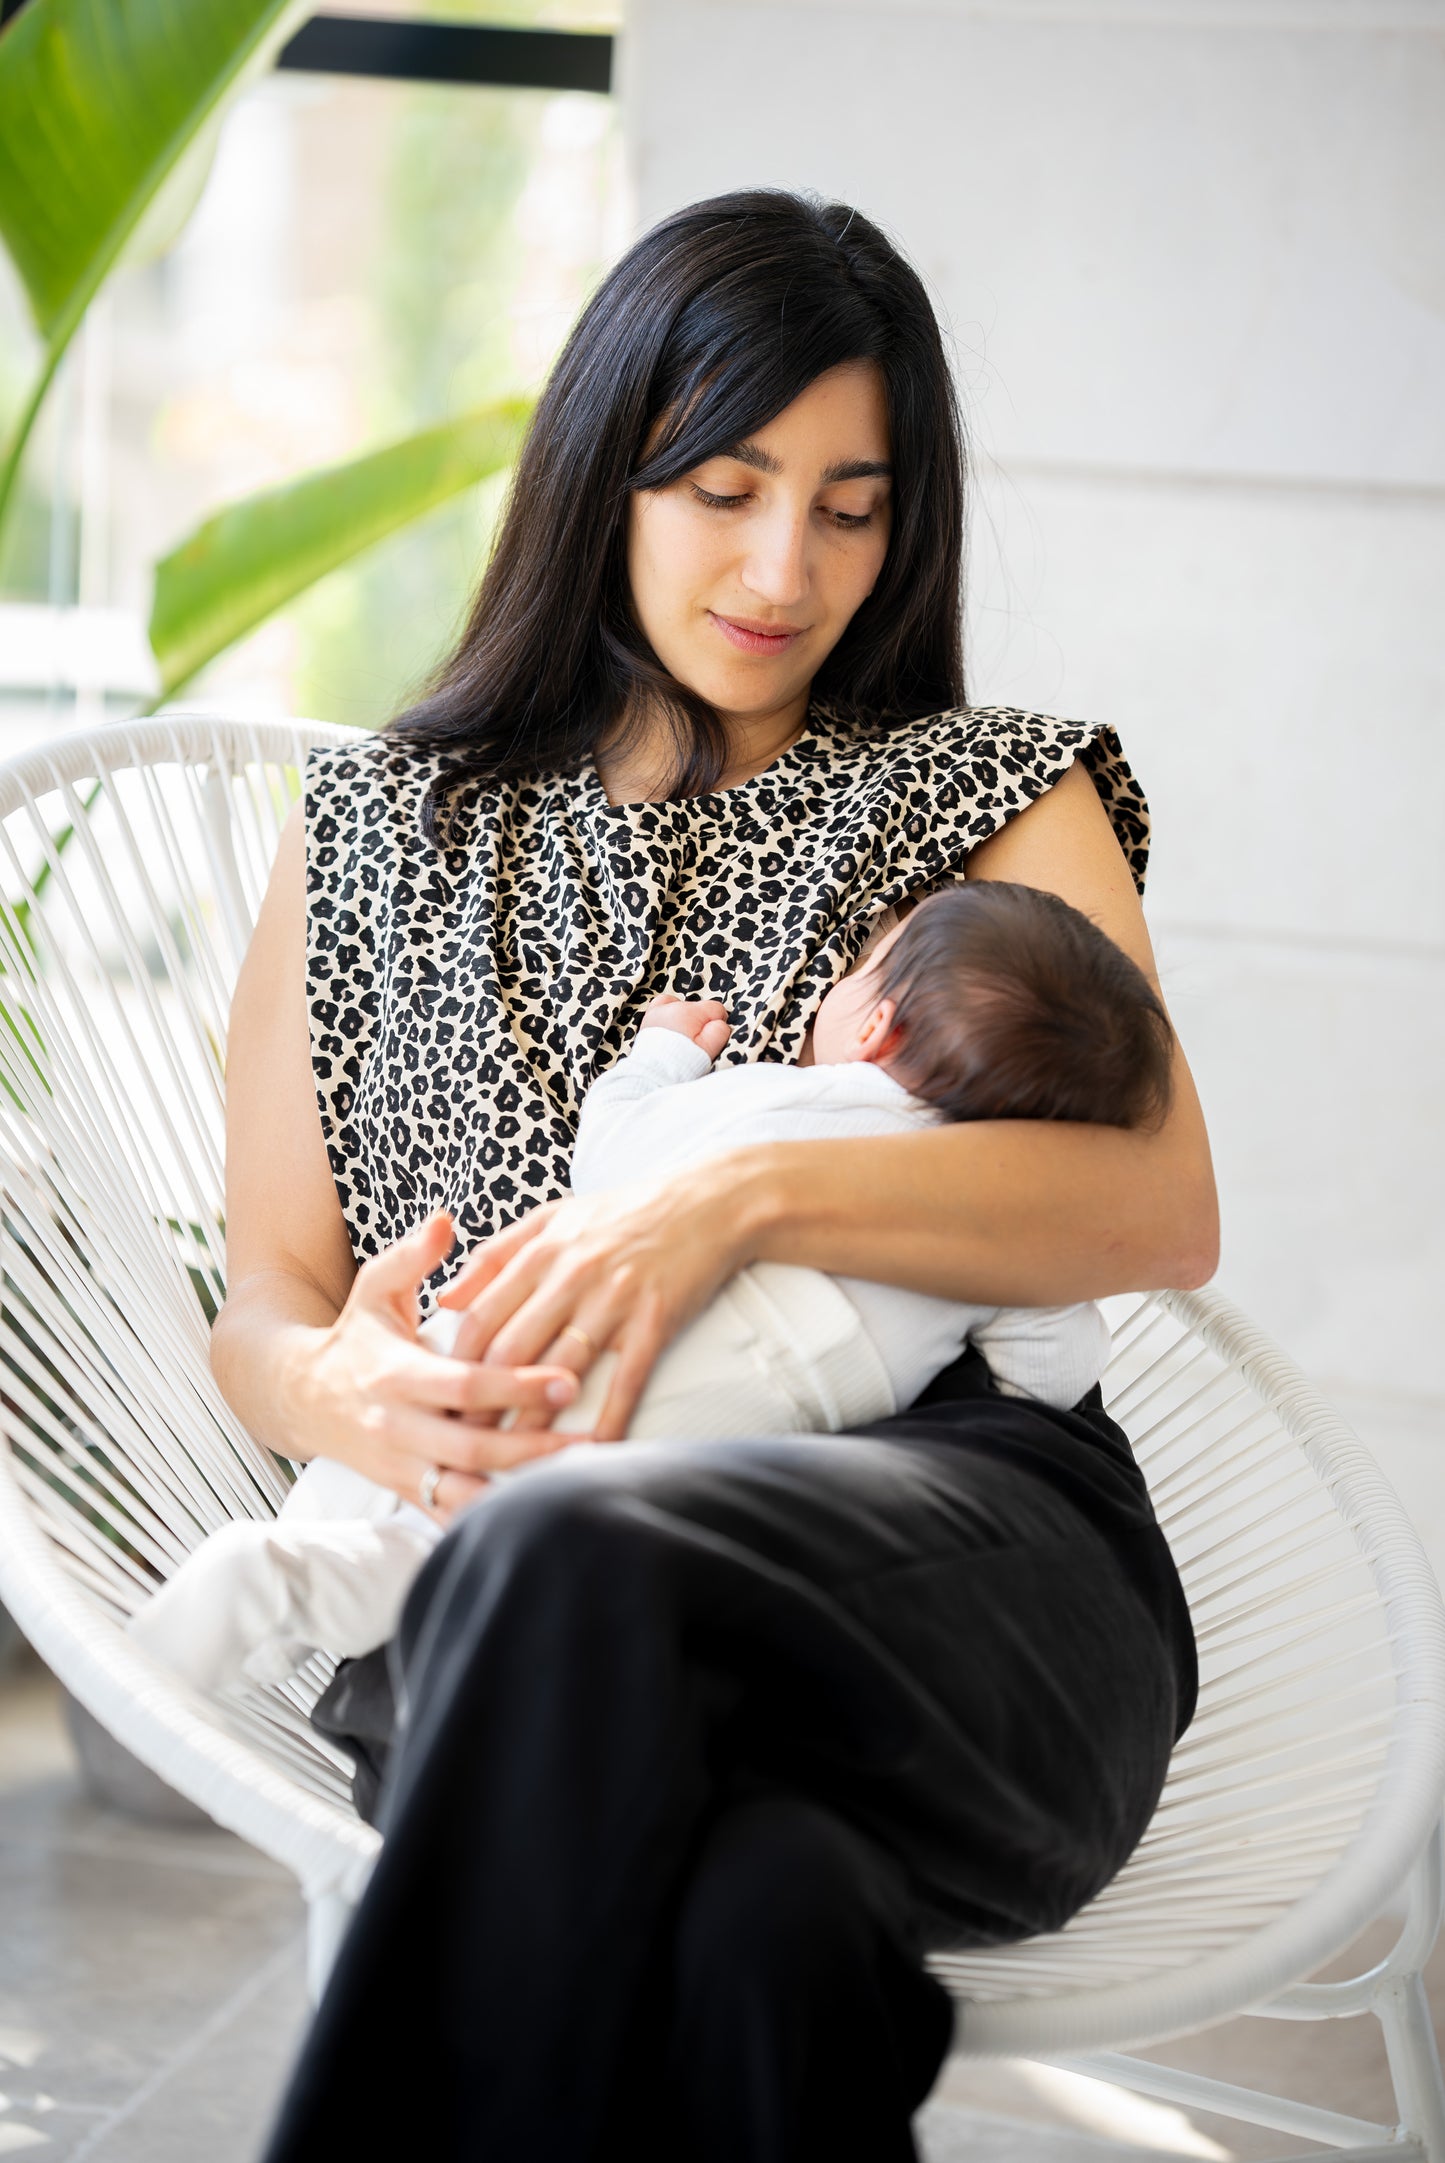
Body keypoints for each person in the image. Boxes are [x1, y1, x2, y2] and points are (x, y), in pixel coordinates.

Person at [218, 189, 1217, 2163]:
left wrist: (726, 1198)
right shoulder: (364, 837)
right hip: (476, 1562)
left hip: (962, 1566)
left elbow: (1151, 1206)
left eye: (849, 505)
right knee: (768, 1925)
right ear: (609, 467)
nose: (784, 564)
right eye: (726, 484)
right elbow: (265, 1294)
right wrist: (339, 1387)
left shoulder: (986, 790)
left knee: (568, 1561)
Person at [133, 880, 1171, 1697]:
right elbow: (1052, 1366)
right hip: (699, 1451)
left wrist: (662, 1053)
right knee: (467, 1557)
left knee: (420, 1470)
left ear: (876, 1027)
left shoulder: (773, 1099)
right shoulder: (975, 1221)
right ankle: (299, 1581)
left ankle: (256, 1583)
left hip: (536, 1337)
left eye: (863, 971)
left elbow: (613, 1155)